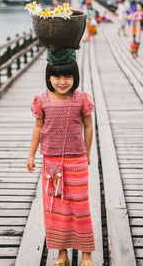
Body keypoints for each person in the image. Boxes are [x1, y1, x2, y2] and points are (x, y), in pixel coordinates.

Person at [27, 48, 95, 266]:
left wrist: (88, 153)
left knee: (80, 207)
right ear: (49, 77)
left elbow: (89, 126)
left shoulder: (81, 99)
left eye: (67, 76)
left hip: (77, 161)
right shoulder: (41, 100)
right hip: (52, 163)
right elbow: (38, 128)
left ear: (75, 76)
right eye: (56, 76)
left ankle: (86, 254)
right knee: (57, 209)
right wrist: (31, 155)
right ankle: (62, 254)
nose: (62, 81)